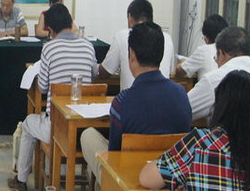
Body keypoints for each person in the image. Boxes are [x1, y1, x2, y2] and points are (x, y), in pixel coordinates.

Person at [81, 22, 191, 179]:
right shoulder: (182, 95)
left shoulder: (122, 101)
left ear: (132, 56)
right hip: (168, 177)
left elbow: (114, 156)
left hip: (127, 179)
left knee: (88, 135)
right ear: (161, 55)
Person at [8, 4, 97, 191]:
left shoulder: (49, 48)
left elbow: (42, 87)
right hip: (84, 128)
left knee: (28, 123)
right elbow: (93, 76)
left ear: (50, 29)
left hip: (56, 128)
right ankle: (66, 178)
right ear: (70, 22)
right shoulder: (88, 46)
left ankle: (21, 180)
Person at [187, 26, 250, 126]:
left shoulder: (216, 78)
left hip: (242, 136)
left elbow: (181, 110)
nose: (217, 62)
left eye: (216, 58)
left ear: (221, 53)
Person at [98, 0, 175, 90]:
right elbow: (171, 71)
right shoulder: (167, 38)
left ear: (130, 17)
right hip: (163, 95)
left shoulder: (122, 35)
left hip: (132, 95)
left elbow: (104, 73)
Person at [175, 14, 228, 79]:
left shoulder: (203, 51)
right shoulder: (231, 51)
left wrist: (182, 62)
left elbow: (179, 72)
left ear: (206, 38)